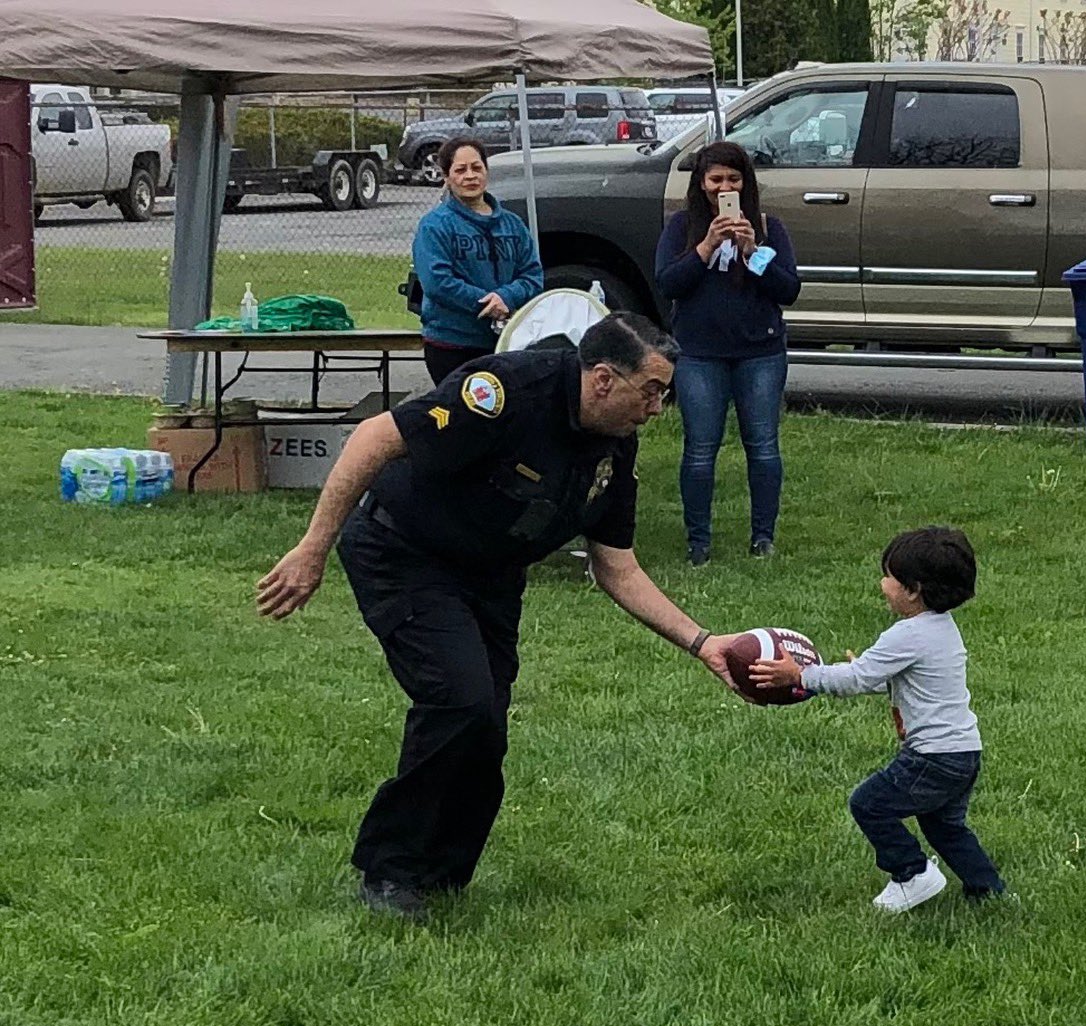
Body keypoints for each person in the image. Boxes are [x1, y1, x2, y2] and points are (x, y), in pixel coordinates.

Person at [256, 313, 743, 919]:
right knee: (457, 701)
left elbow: (617, 568)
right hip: (403, 551)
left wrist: (703, 644)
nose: (658, 408)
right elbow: (375, 437)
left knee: (485, 721)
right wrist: (312, 549)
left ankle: (442, 878)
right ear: (601, 379)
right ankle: (391, 871)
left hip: (488, 574)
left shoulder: (614, 445)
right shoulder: (506, 391)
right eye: (651, 391)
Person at [750, 527, 1006, 914]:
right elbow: (897, 681)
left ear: (913, 589)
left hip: (931, 756)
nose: (882, 583)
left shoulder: (907, 634)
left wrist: (799, 676)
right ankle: (988, 893)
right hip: (964, 751)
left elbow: (855, 680)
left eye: (889, 576)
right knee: (945, 827)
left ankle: (911, 873)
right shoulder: (942, 629)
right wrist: (866, 673)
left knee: (869, 804)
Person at [654, 141, 801, 566]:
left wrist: (753, 254)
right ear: (701, 184)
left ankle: (763, 537)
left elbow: (788, 289)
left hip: (760, 352)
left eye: (733, 179)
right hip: (700, 352)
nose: (724, 187)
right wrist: (705, 247)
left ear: (746, 184)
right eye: (716, 179)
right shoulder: (681, 227)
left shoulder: (769, 228)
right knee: (700, 450)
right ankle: (698, 542)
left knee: (764, 447)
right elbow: (668, 284)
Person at [412, 137, 543, 385]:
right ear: (447, 176)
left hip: (506, 344)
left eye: (476, 168)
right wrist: (486, 304)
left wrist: (507, 297)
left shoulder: (513, 225)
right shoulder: (434, 226)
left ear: (486, 171)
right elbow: (437, 282)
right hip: (452, 345)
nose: (470, 176)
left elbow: (532, 275)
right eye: (460, 170)